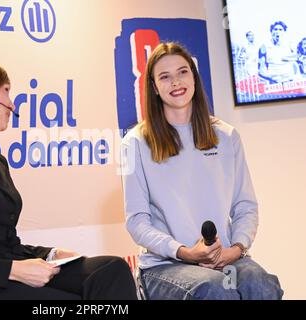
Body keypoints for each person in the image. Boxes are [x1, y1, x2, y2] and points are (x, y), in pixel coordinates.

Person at [0, 56, 138, 300]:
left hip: (8, 269)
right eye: (7, 92)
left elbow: (4, 243)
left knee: (111, 271)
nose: (12, 104)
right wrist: (13, 271)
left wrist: (49, 254)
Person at [121, 42, 283, 300]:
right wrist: (184, 252)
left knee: (261, 284)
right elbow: (137, 221)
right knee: (213, 289)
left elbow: (245, 206)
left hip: (226, 259)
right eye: (165, 76)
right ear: (153, 87)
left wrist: (237, 248)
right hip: (166, 265)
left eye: (183, 72)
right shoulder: (135, 143)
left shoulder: (226, 136)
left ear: (194, 78)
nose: (176, 82)